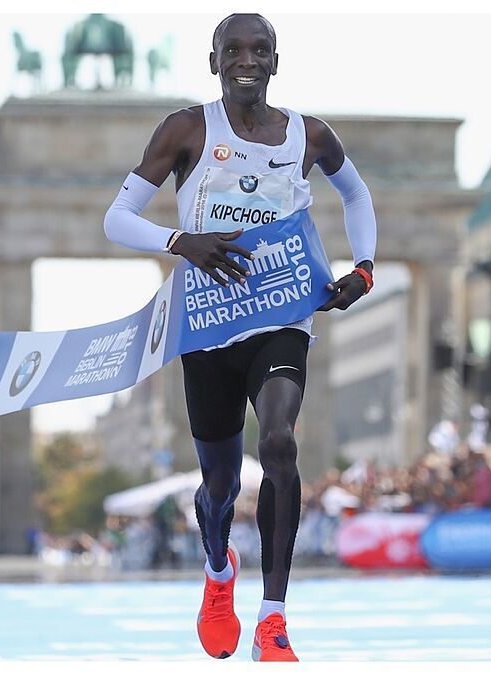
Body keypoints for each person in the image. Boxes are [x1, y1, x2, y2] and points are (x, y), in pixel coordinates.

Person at [103, 13, 376, 661]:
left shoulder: (309, 133)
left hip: (283, 314)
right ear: (214, 61)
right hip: (208, 322)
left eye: (260, 50)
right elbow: (117, 219)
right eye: (233, 51)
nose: (246, 60)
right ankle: (219, 568)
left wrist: (363, 266)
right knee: (220, 482)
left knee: (280, 442)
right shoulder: (186, 128)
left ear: (277, 62)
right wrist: (181, 241)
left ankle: (274, 617)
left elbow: (356, 194)